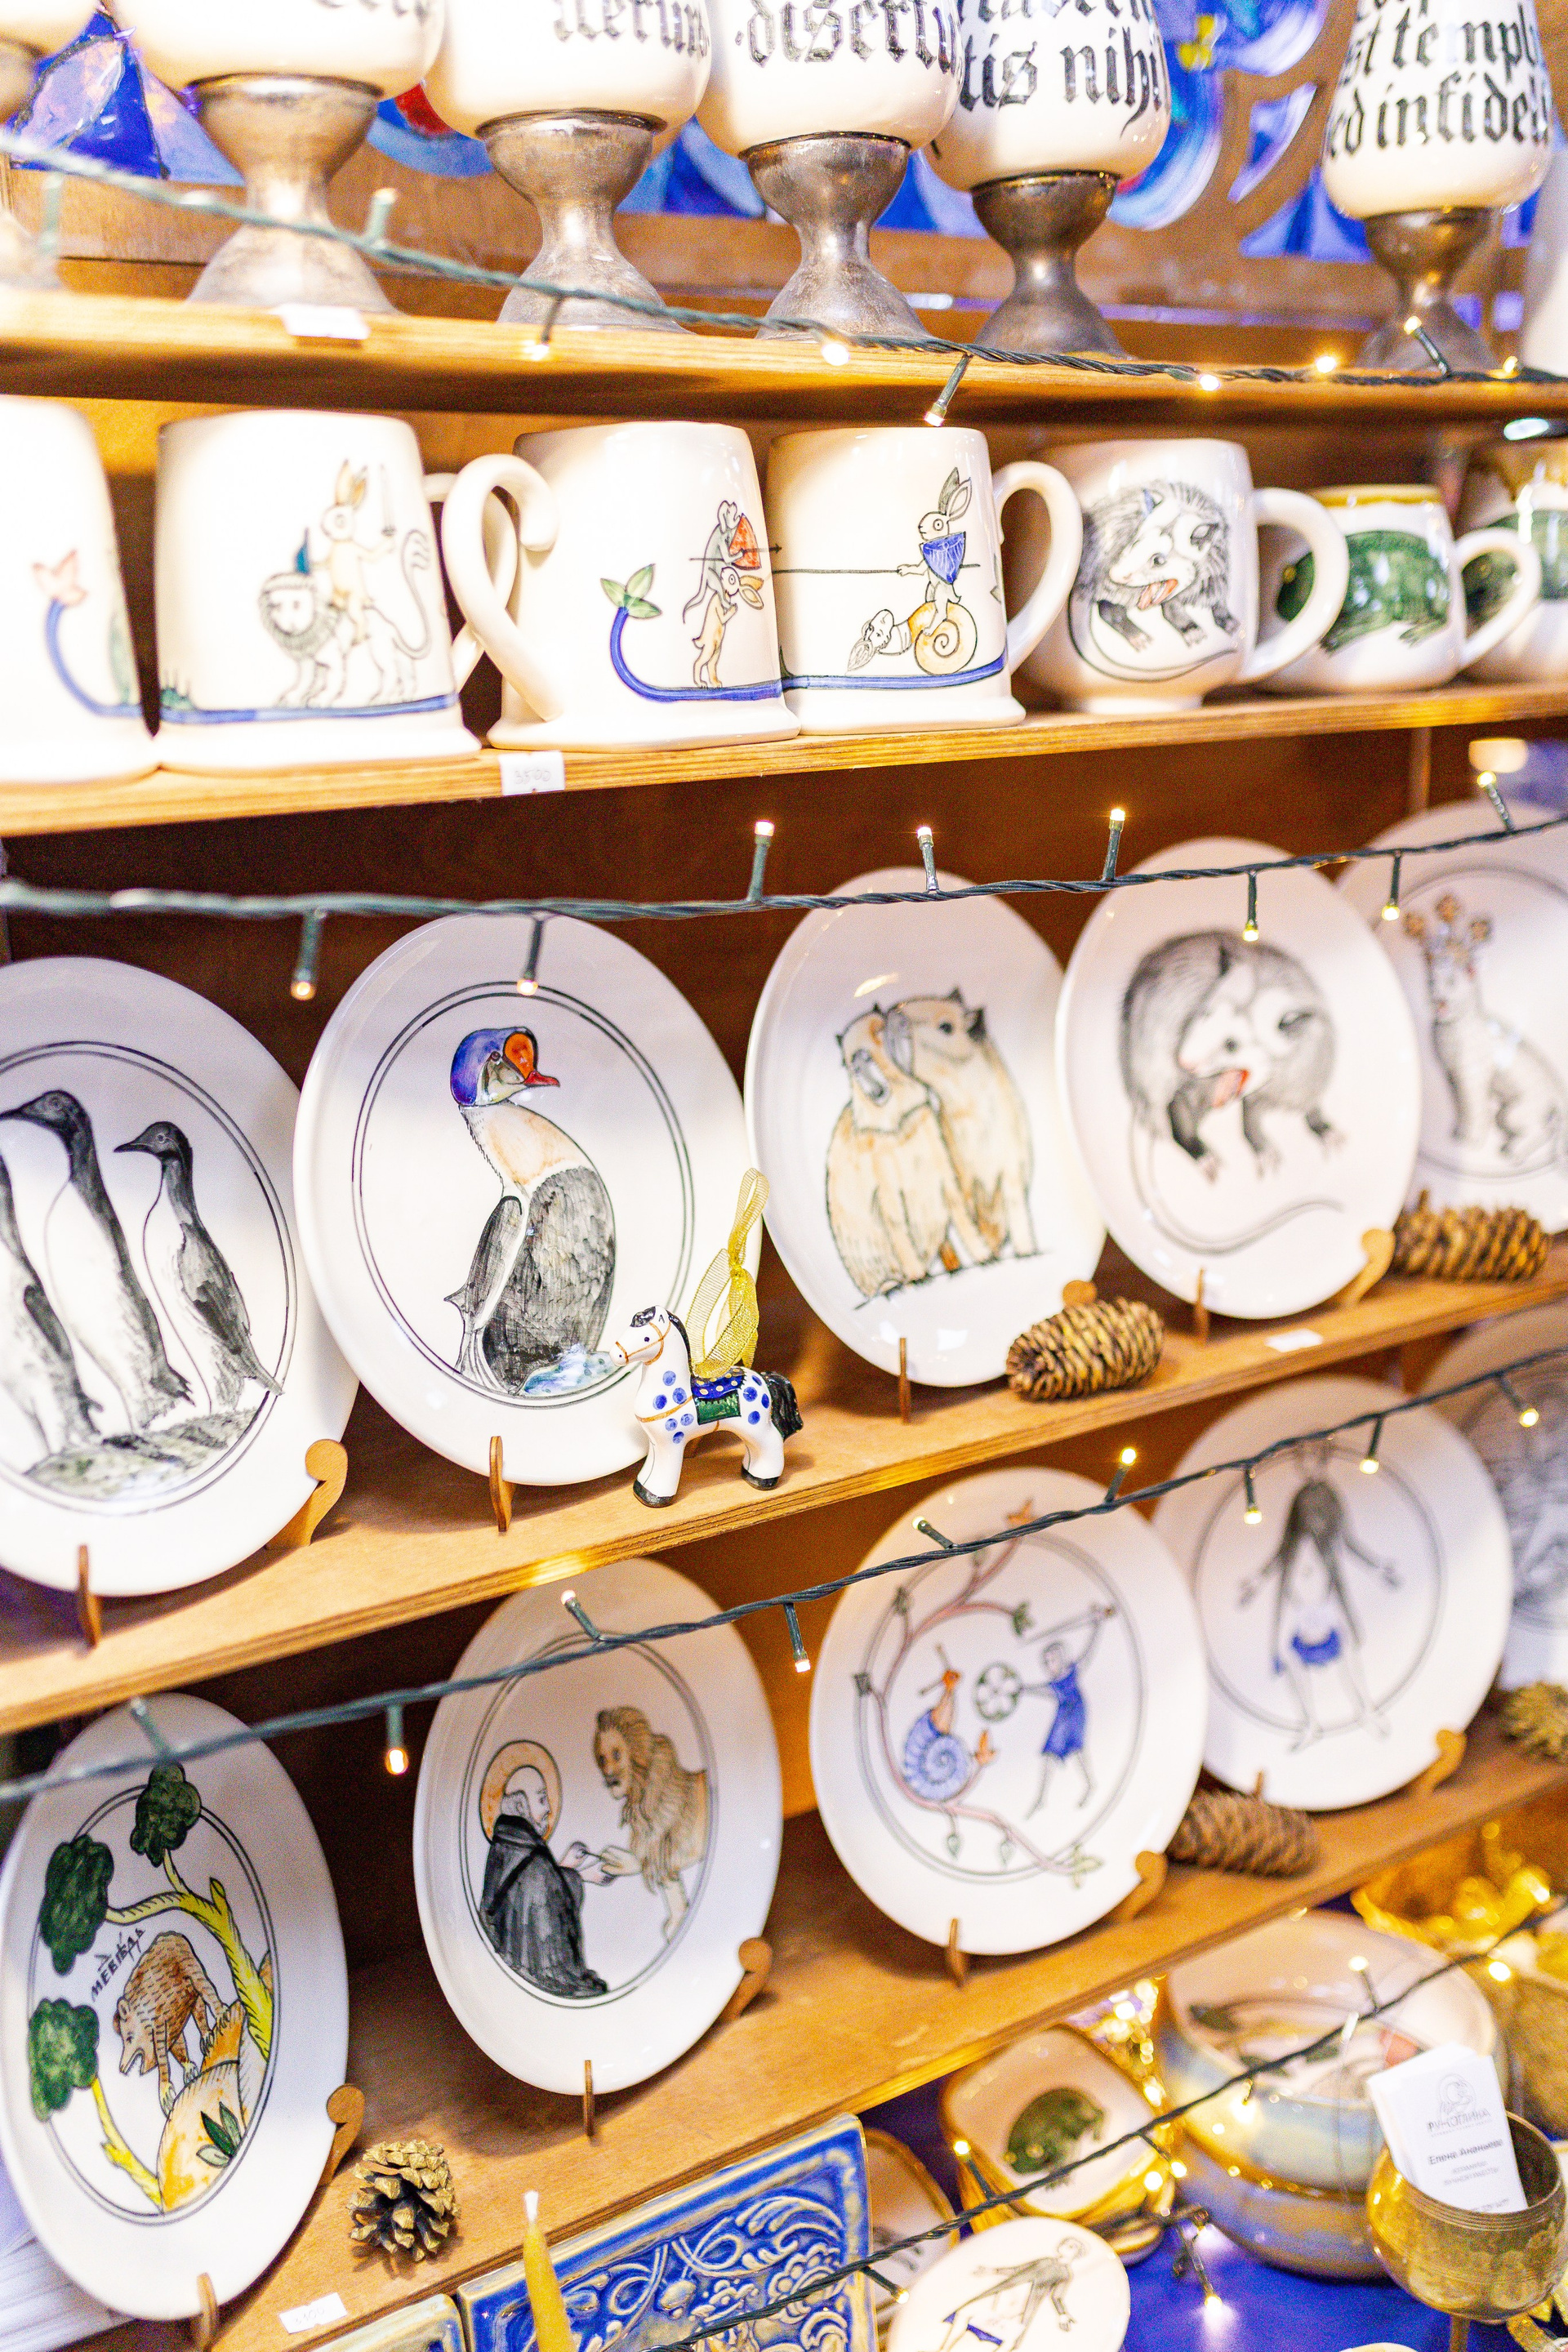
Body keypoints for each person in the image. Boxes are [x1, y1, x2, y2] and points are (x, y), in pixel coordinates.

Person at [479, 1762, 608, 1998]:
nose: (548, 1808)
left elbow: (538, 1883)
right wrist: (581, 1877)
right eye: (541, 1799)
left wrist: (568, 1867)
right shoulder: (531, 1859)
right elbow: (540, 1890)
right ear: (521, 1805)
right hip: (537, 1972)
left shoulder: (505, 1844)